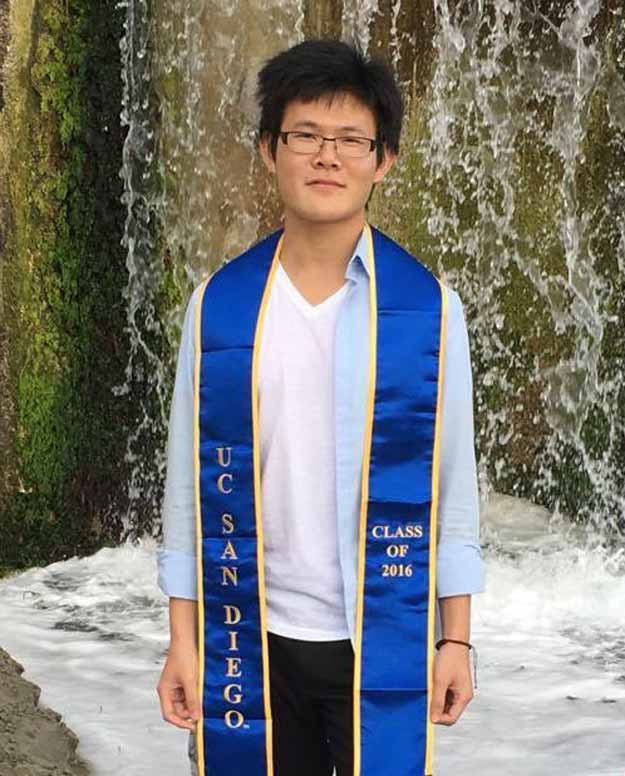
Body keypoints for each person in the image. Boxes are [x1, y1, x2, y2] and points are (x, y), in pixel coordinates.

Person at [156, 38, 485, 776]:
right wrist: (184, 638)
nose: (325, 157)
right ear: (270, 150)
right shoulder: (219, 307)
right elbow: (187, 486)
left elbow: (451, 485)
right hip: (249, 634)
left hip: (382, 635)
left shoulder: (428, 311)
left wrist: (455, 639)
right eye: (304, 135)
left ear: (384, 158)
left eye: (349, 140)